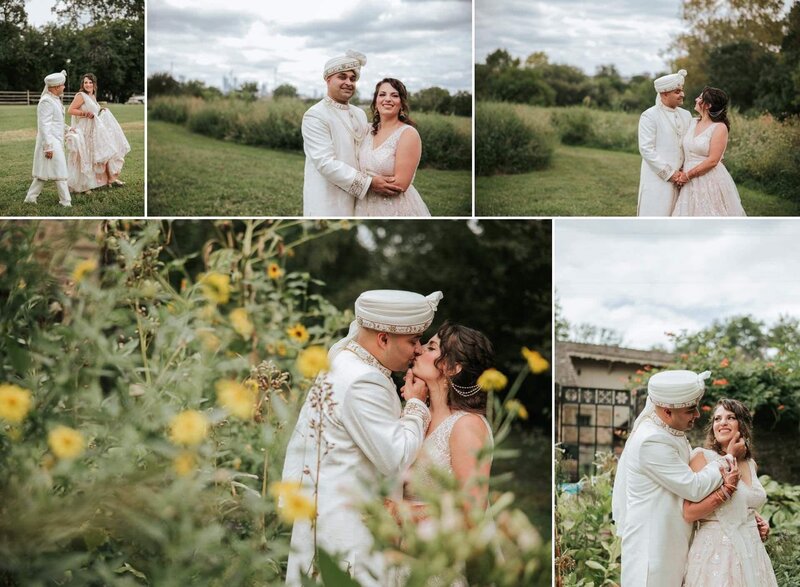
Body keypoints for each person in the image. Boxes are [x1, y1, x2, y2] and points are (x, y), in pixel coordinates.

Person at [280, 289, 444, 586]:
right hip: (349, 532)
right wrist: (417, 404)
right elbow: (395, 457)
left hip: (330, 516)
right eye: (413, 340)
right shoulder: (362, 380)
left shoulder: (346, 360)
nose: (418, 349)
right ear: (383, 338)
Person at [612, 369, 746, 587]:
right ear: (666, 412)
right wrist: (728, 458)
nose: (698, 415)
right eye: (690, 410)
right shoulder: (651, 440)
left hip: (672, 545)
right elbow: (693, 487)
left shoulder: (668, 430)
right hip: (653, 552)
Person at [683, 399, 777, 586]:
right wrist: (730, 461)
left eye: (730, 417)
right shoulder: (702, 457)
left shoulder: (751, 464)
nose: (722, 422)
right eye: (717, 419)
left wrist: (757, 519)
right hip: (717, 551)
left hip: (752, 550)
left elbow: (741, 502)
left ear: (742, 424)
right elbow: (689, 513)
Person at [403, 322, 494, 512]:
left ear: (452, 368)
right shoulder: (419, 414)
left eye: (431, 347)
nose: (418, 350)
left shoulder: (467, 425)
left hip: (442, 540)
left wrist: (401, 513)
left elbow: (472, 510)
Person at [302, 51, 401, 216]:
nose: (348, 82)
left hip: (362, 201)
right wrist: (369, 183)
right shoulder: (315, 115)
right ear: (328, 79)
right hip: (328, 199)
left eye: (352, 79)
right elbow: (325, 163)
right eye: (342, 77)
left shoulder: (359, 114)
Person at [355, 78, 430, 216]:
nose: (387, 99)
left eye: (394, 95)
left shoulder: (408, 134)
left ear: (401, 103)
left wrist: (364, 182)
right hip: (362, 206)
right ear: (375, 102)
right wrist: (369, 182)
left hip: (394, 208)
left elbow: (400, 184)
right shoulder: (367, 130)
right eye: (382, 94)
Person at [671, 87, 746, 216]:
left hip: (708, 178)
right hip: (687, 177)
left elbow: (713, 160)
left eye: (700, 98)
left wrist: (687, 176)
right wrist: (681, 171)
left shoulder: (719, 127)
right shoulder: (692, 123)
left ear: (708, 105)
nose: (696, 99)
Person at [636, 69, 692, 216]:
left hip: (683, 179)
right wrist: (670, 174)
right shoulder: (649, 116)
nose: (682, 95)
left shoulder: (686, 115)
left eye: (682, 91)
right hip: (658, 179)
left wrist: (684, 173)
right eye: (677, 91)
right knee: (656, 216)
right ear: (664, 94)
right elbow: (646, 149)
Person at [66, 72, 131, 193]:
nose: (88, 84)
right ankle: (84, 186)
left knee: (100, 153)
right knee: (85, 155)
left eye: (90, 82)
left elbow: (93, 109)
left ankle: (109, 179)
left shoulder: (92, 96)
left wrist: (101, 110)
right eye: (86, 82)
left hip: (94, 130)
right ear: (82, 84)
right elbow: (71, 110)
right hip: (84, 129)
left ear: (94, 84)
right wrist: (85, 114)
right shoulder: (80, 95)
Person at [24, 70, 71, 207]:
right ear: (56, 87)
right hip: (50, 141)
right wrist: (48, 147)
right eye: (63, 85)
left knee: (43, 171)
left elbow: (56, 122)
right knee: (60, 169)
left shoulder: (54, 100)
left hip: (56, 139)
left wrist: (68, 128)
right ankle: (65, 201)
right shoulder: (46, 102)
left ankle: (30, 198)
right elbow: (44, 126)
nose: (64, 87)